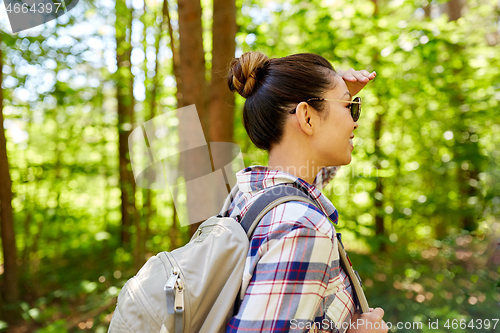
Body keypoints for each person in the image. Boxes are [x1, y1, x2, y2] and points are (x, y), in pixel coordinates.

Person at [221, 51, 388, 333]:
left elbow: (311, 179)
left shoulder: (252, 196)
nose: (354, 121)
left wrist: (342, 99)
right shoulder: (303, 226)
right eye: (351, 107)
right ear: (307, 118)